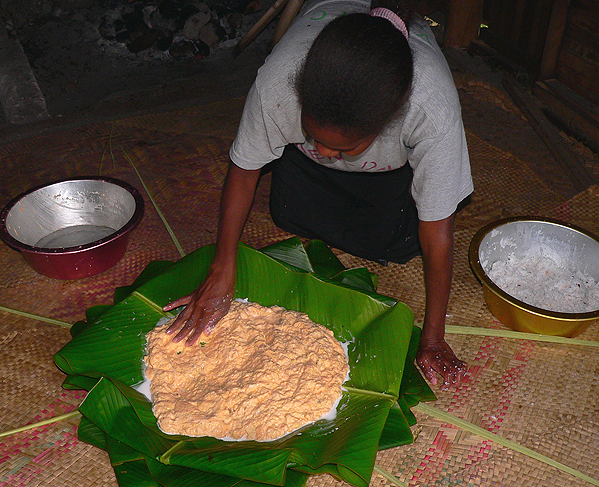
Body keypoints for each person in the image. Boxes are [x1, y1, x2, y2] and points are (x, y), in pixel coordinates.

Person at [163, 0, 473, 389]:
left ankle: (346, 158)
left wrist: (432, 335)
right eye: (314, 135)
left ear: (389, 121)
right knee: (289, 215)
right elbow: (244, 171)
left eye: (344, 149)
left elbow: (438, 229)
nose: (326, 153)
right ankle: (326, 148)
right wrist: (222, 268)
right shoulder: (280, 81)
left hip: (386, 174)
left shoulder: (429, 108)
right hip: (302, 158)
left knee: (395, 243)